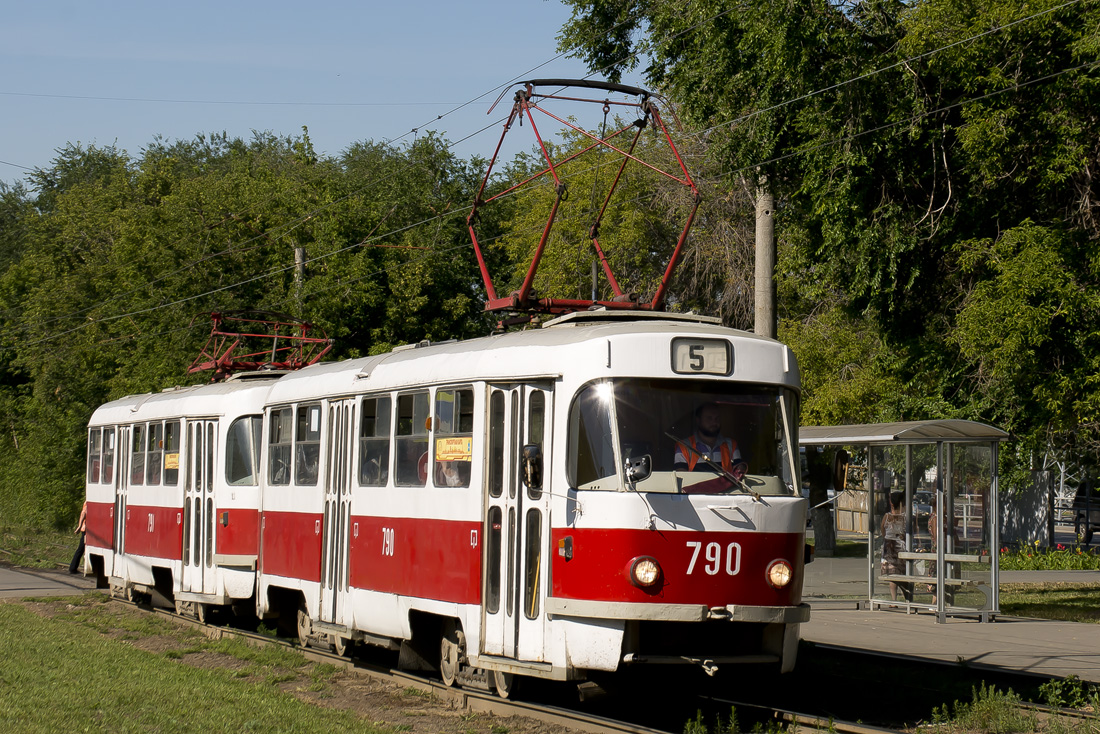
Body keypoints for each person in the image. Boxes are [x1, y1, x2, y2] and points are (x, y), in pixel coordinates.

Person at [673, 402, 743, 475]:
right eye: (709, 418)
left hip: (728, 487)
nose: (714, 422)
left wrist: (741, 469)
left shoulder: (731, 445)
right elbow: (682, 477)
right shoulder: (684, 446)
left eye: (717, 418)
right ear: (698, 420)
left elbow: (739, 474)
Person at [879, 491, 910, 601]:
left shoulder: (887, 516)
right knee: (902, 572)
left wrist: (887, 539)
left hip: (889, 547)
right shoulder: (904, 517)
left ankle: (894, 600)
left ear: (891, 502)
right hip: (901, 546)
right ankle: (907, 597)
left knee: (892, 574)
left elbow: (883, 529)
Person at [69, 500, 88, 574]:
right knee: (81, 549)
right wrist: (79, 526)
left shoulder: (87, 501)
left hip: (85, 529)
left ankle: (73, 568)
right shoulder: (88, 502)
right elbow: (84, 513)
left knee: (81, 549)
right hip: (86, 529)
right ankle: (73, 568)